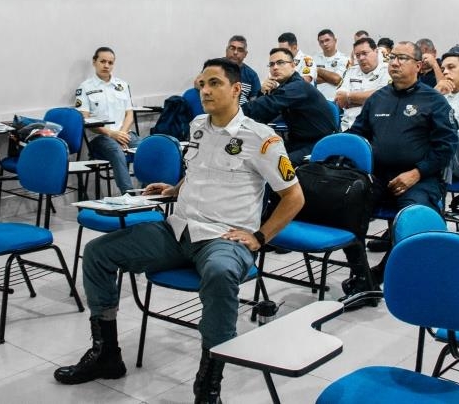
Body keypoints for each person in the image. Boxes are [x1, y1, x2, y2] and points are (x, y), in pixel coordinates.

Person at [53, 58, 304, 404]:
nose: (205, 91)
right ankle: (106, 353)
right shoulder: (198, 125)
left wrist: (260, 237)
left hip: (224, 238)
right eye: (202, 84)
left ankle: (209, 382)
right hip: (179, 230)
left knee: (219, 273)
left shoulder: (261, 138)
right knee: (98, 253)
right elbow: (199, 170)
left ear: (236, 90)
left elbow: (294, 197)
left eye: (214, 83)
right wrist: (175, 189)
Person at [344, 41, 459, 287]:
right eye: (392, 57)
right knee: (346, 204)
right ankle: (360, 272)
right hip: (378, 176)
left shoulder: (434, 100)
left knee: (413, 219)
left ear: (418, 66)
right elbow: (357, 135)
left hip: (420, 178)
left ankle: (384, 272)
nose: (395, 62)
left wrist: (417, 173)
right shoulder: (378, 98)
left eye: (402, 58)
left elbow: (446, 147)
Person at [243, 47, 337, 162]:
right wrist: (262, 93)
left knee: (276, 164)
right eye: (271, 64)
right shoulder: (283, 88)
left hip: (320, 144)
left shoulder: (298, 87)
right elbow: (262, 116)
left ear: (293, 65)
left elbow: (267, 104)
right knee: (261, 158)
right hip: (298, 142)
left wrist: (233, 112)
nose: (275, 67)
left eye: (280, 63)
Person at [75, 46, 138, 194]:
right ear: (94, 62)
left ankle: (149, 193)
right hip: (99, 138)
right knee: (117, 151)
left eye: (110, 62)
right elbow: (85, 119)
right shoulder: (85, 87)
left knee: (148, 148)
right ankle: (129, 196)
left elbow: (129, 114)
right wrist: (111, 134)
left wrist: (121, 134)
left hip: (124, 134)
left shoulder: (122, 85)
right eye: (102, 61)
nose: (106, 66)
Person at [336, 37, 391, 131]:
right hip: (348, 126)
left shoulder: (387, 71)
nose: (361, 58)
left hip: (375, 127)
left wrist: (348, 97)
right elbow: (339, 99)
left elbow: (381, 98)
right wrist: (366, 99)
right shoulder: (351, 71)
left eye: (364, 53)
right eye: (357, 55)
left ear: (376, 51)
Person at [313, 28, 349, 101]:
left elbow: (336, 80)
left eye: (327, 40)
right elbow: (311, 80)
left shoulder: (344, 59)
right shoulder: (314, 58)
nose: (325, 44)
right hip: (317, 100)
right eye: (321, 42)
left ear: (335, 41)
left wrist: (317, 70)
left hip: (335, 100)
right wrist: (330, 78)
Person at [224, 35, 260, 104]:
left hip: (241, 109)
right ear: (226, 50)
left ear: (245, 54)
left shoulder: (252, 75)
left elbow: (255, 104)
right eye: (232, 48)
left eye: (240, 50)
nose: (235, 52)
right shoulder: (214, 67)